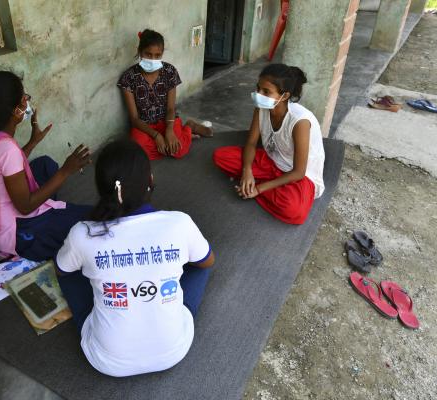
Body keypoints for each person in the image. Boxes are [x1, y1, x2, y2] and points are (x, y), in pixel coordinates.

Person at [55, 139, 215, 377]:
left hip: (106, 360)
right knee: (202, 263)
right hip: (172, 351)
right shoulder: (180, 223)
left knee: (68, 273)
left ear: (101, 187)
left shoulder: (82, 233)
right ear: (150, 180)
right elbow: (208, 262)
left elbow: (62, 270)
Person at [0, 71, 91, 261]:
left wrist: (32, 142)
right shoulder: (6, 148)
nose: (27, 102)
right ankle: (45, 229)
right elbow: (25, 206)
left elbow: (0, 169)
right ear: (16, 110)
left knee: (45, 165)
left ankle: (52, 214)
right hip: (14, 234)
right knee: (89, 220)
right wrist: (66, 170)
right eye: (24, 97)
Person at [212, 63, 325, 225]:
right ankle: (257, 183)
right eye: (258, 88)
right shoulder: (261, 108)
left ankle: (256, 186)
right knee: (221, 157)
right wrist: (247, 170)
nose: (258, 94)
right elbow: (251, 143)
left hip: (298, 176)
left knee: (294, 211)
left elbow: (299, 172)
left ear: (284, 96)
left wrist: (258, 189)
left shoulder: (299, 122)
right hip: (271, 161)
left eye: (266, 91)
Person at [117, 29, 213, 160]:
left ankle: (189, 127)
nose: (153, 59)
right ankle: (174, 143)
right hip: (144, 126)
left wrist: (169, 130)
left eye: (157, 55)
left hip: (168, 120)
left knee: (179, 150)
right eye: (148, 54)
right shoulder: (128, 78)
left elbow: (170, 108)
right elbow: (134, 119)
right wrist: (156, 136)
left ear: (162, 54)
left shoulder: (169, 71)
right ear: (140, 52)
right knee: (138, 151)